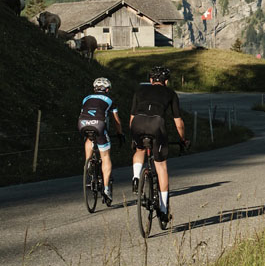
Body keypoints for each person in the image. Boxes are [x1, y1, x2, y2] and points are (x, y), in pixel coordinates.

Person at [130, 65, 187, 227]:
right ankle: (163, 210)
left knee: (139, 149)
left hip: (137, 124)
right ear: (166, 81)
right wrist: (183, 139)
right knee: (161, 166)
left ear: (150, 80)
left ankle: (135, 178)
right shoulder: (170, 93)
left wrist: (133, 136)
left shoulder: (139, 90)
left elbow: (131, 117)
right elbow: (178, 122)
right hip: (157, 124)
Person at [77, 77, 125, 206]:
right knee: (105, 156)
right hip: (99, 125)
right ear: (108, 89)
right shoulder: (110, 100)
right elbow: (116, 120)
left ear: (94, 88)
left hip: (82, 123)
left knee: (89, 138)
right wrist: (120, 133)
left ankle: (87, 163)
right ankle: (106, 188)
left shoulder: (86, 98)